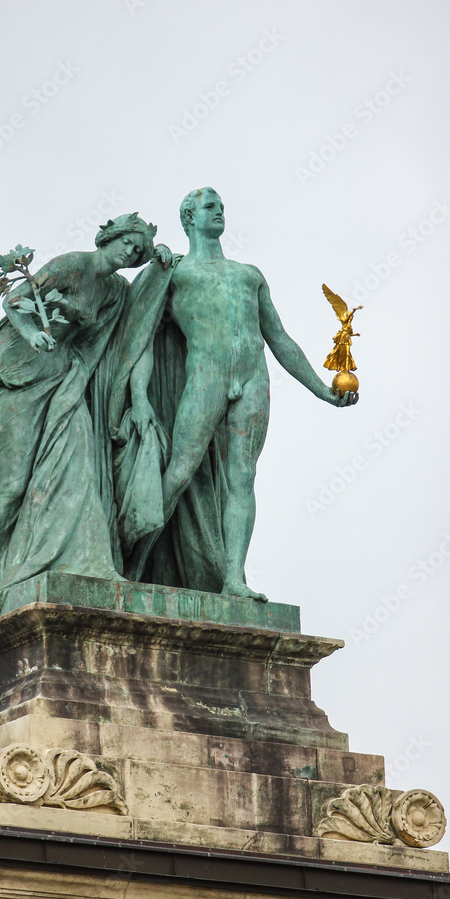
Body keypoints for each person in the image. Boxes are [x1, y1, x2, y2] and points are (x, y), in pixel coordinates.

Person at [0, 213, 165, 639]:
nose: (131, 252)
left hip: (61, 377)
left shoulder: (116, 290)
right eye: (128, 242)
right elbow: (14, 301)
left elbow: (129, 331)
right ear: (110, 237)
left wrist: (160, 267)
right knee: (1, 480)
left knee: (78, 458)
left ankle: (83, 563)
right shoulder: (72, 264)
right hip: (18, 370)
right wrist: (32, 333)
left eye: (138, 251)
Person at [123, 187, 358, 600]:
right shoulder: (175, 272)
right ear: (189, 218)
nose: (219, 211)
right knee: (179, 472)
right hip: (205, 378)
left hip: (253, 379)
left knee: (243, 479)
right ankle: (131, 563)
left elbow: (279, 339)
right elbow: (141, 340)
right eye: (209, 206)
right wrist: (139, 396)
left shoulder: (249, 275)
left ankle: (234, 580)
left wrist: (322, 390)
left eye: (221, 206)